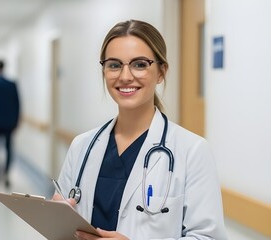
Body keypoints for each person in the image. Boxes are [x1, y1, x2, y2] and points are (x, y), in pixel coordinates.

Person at [53, 20, 227, 239]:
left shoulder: (192, 151)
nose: (125, 76)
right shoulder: (82, 146)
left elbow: (208, 237)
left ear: (161, 72)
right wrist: (58, 219)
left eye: (140, 64)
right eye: (114, 65)